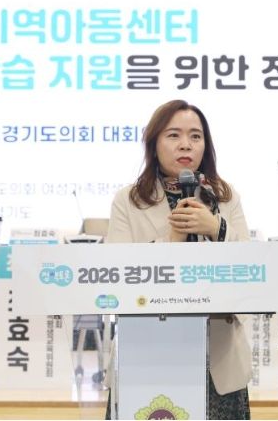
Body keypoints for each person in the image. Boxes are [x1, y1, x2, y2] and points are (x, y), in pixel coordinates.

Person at [105, 99, 252, 419]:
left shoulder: (226, 196)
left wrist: (216, 228)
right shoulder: (128, 200)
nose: (186, 144)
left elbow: (253, 270)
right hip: (145, 349)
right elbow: (115, 274)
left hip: (217, 354)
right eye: (174, 135)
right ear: (154, 143)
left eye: (195, 136)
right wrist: (171, 241)